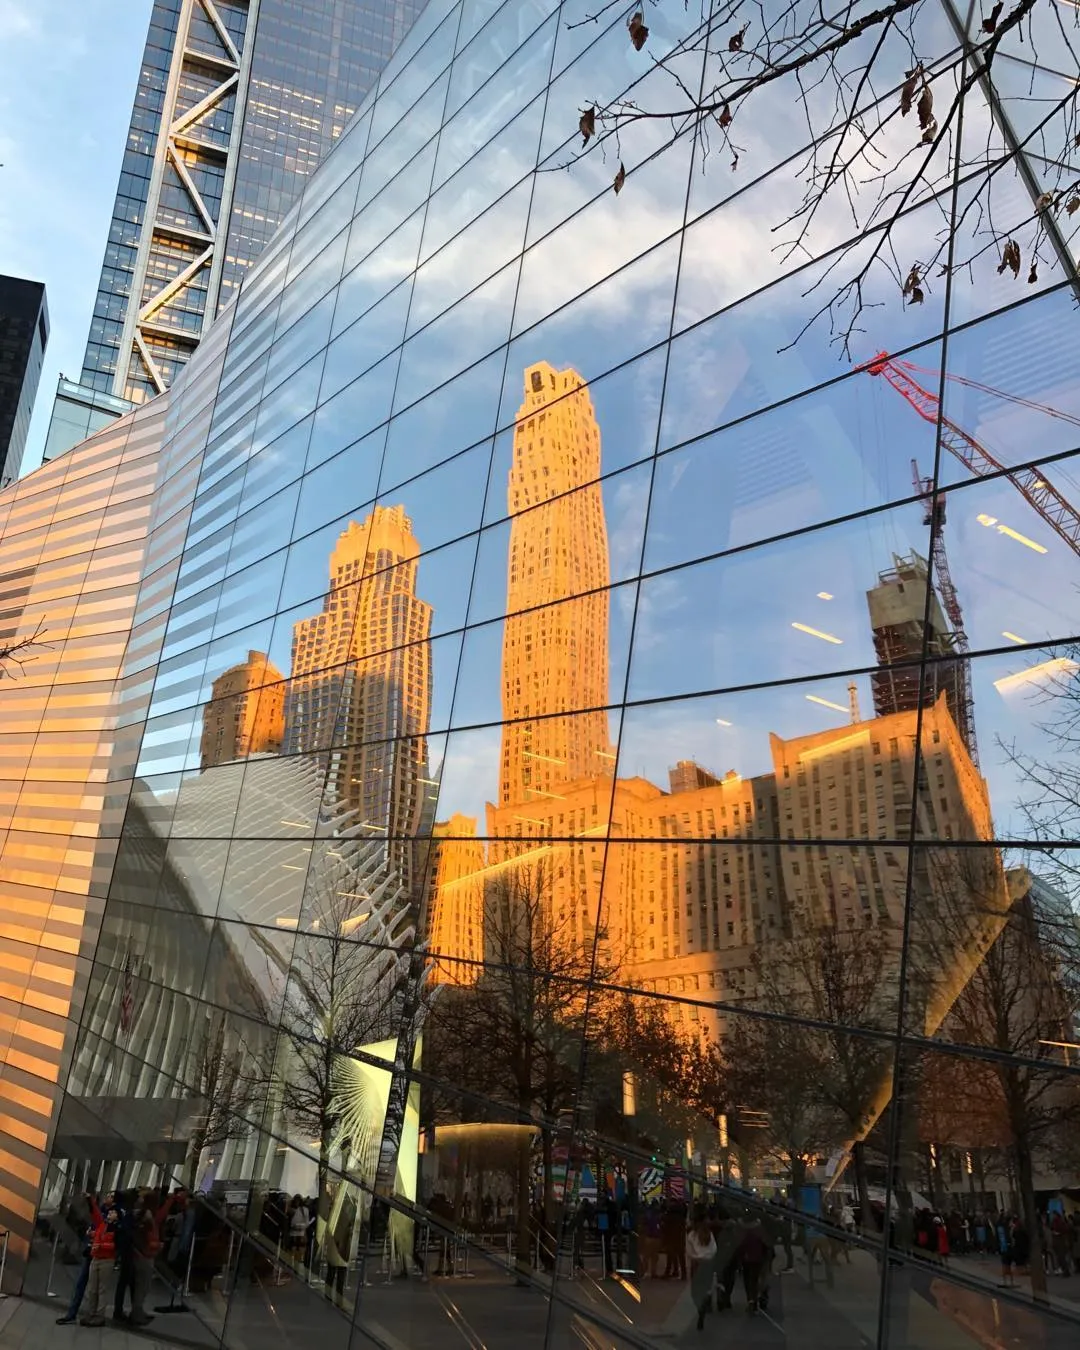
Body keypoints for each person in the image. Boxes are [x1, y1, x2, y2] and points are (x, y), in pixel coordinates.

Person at [80, 1192, 121, 1327]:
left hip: (106, 1260)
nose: (110, 1214)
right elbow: (96, 1213)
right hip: (96, 1258)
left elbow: (115, 1245)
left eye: (113, 1213)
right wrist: (90, 1200)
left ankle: (99, 1316)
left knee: (101, 1289)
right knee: (92, 1288)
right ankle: (91, 1313)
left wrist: (100, 1245)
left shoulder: (117, 1229)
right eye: (110, 1213)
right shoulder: (102, 1226)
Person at [55, 1200, 94, 1327]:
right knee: (82, 1284)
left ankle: (85, 1314)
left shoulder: (100, 1218)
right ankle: (74, 1313)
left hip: (96, 1255)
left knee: (89, 1286)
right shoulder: (91, 1220)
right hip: (89, 1254)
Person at [687, 1213, 718, 1330]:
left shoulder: (691, 1235)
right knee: (705, 1288)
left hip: (697, 1264)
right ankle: (703, 1306)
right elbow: (714, 1250)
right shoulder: (709, 1235)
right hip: (707, 1265)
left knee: (694, 1291)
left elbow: (689, 1252)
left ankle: (700, 1307)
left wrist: (696, 1257)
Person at [288, 1194, 310, 1270]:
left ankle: (295, 1266)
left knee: (297, 1250)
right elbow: (306, 1223)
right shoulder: (302, 1210)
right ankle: (295, 1266)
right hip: (297, 1233)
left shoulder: (301, 1210)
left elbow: (306, 1222)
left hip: (298, 1233)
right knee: (295, 1251)